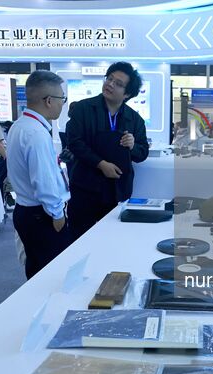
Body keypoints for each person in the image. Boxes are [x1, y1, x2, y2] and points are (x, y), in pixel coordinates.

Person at [65, 62, 149, 241]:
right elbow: (74, 142)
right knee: (80, 240)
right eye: (109, 79)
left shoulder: (134, 119)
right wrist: (101, 164)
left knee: (113, 241)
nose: (110, 84)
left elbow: (142, 153)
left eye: (118, 83)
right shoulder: (83, 109)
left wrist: (133, 146)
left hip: (117, 191)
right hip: (85, 188)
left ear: (127, 94)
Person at [7, 70, 71, 279]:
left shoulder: (21, 126)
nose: (63, 104)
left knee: (37, 270)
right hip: (42, 215)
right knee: (50, 276)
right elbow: (44, 181)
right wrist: (57, 213)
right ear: (49, 100)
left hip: (29, 212)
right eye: (62, 99)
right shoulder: (35, 133)